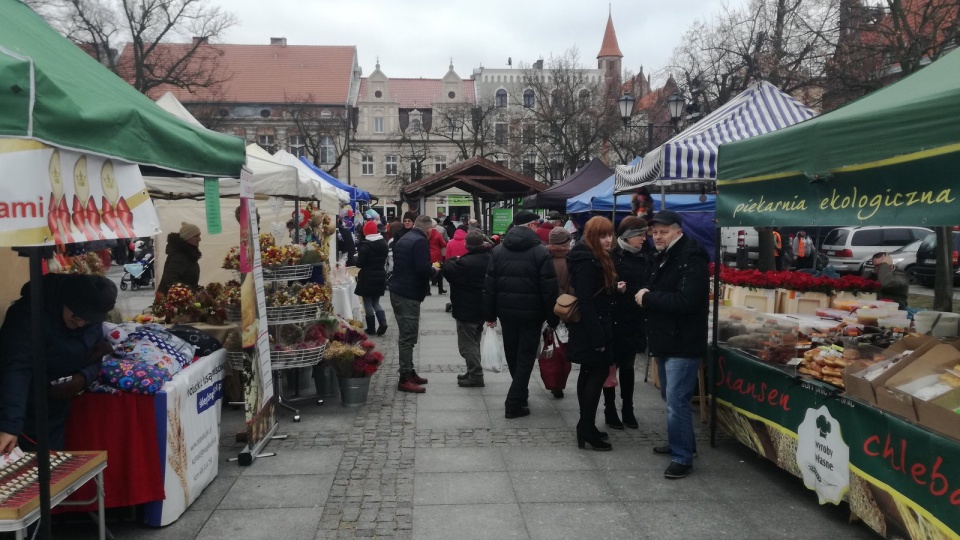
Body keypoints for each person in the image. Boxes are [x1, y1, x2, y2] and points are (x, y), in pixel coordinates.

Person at [0, 274, 117, 453]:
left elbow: (96, 354)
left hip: (55, 409)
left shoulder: (89, 319)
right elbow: (17, 369)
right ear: (65, 301)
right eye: (76, 316)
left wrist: (82, 378)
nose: (80, 324)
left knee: (50, 470)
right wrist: (10, 425)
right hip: (19, 405)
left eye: (87, 320)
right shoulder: (28, 316)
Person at [635, 210, 709, 479]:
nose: (657, 236)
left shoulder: (692, 256)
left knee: (676, 401)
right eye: (654, 232)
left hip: (683, 341)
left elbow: (687, 301)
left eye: (663, 232)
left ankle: (682, 458)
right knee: (670, 397)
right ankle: (683, 443)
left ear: (678, 231)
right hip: (666, 339)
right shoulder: (665, 255)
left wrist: (649, 298)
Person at [483, 210, 558, 419]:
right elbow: (549, 289)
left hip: (507, 314)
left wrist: (489, 314)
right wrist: (552, 318)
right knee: (525, 358)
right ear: (532, 226)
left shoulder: (498, 251)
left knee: (513, 356)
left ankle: (521, 394)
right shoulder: (540, 252)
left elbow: (489, 286)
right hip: (532, 315)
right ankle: (514, 401)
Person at [567, 216, 620, 451]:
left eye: (610, 235)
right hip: (593, 327)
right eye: (603, 235)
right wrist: (598, 337)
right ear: (592, 237)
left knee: (589, 373)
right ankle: (586, 427)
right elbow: (586, 300)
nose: (608, 240)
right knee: (595, 375)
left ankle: (585, 424)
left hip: (595, 325)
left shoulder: (594, 256)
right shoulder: (587, 259)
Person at [606, 216, 649, 430]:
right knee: (610, 366)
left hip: (634, 320)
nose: (644, 238)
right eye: (640, 234)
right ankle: (610, 408)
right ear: (628, 236)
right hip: (614, 319)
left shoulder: (645, 257)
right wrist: (616, 289)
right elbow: (602, 287)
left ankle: (628, 408)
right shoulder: (611, 257)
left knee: (629, 367)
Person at [390, 215, 437, 393]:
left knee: (406, 333)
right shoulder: (420, 241)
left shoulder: (404, 238)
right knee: (408, 336)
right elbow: (422, 269)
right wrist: (434, 270)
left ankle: (409, 370)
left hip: (399, 289)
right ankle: (405, 377)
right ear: (428, 230)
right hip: (407, 293)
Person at [443, 231, 491, 388]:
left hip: (466, 308)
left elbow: (448, 270)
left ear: (466, 244)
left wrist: (452, 259)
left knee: (466, 345)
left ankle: (476, 375)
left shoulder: (465, 262)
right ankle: (471, 371)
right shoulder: (488, 258)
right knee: (475, 340)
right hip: (482, 306)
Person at [546, 226, 572, 399]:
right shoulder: (572, 260)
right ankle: (559, 381)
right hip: (567, 309)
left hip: (546, 309)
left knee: (549, 347)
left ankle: (551, 378)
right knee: (563, 348)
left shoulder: (543, 258)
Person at [355, 220, 390, 336]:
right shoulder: (383, 244)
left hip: (367, 277)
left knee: (368, 303)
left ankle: (371, 328)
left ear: (366, 232)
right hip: (380, 275)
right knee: (376, 302)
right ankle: (383, 322)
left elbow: (360, 264)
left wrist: (356, 259)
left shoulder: (365, 246)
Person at [158, 221, 202, 294]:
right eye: (196, 236)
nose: (199, 239)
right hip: (176, 301)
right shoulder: (179, 256)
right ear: (187, 238)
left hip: (184, 299)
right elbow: (171, 280)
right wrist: (190, 291)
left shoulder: (188, 254)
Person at [428, 221, 448, 295]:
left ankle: (427, 290)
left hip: (428, 254)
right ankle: (440, 289)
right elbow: (443, 243)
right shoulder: (437, 234)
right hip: (437, 255)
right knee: (439, 272)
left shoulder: (427, 233)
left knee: (428, 272)